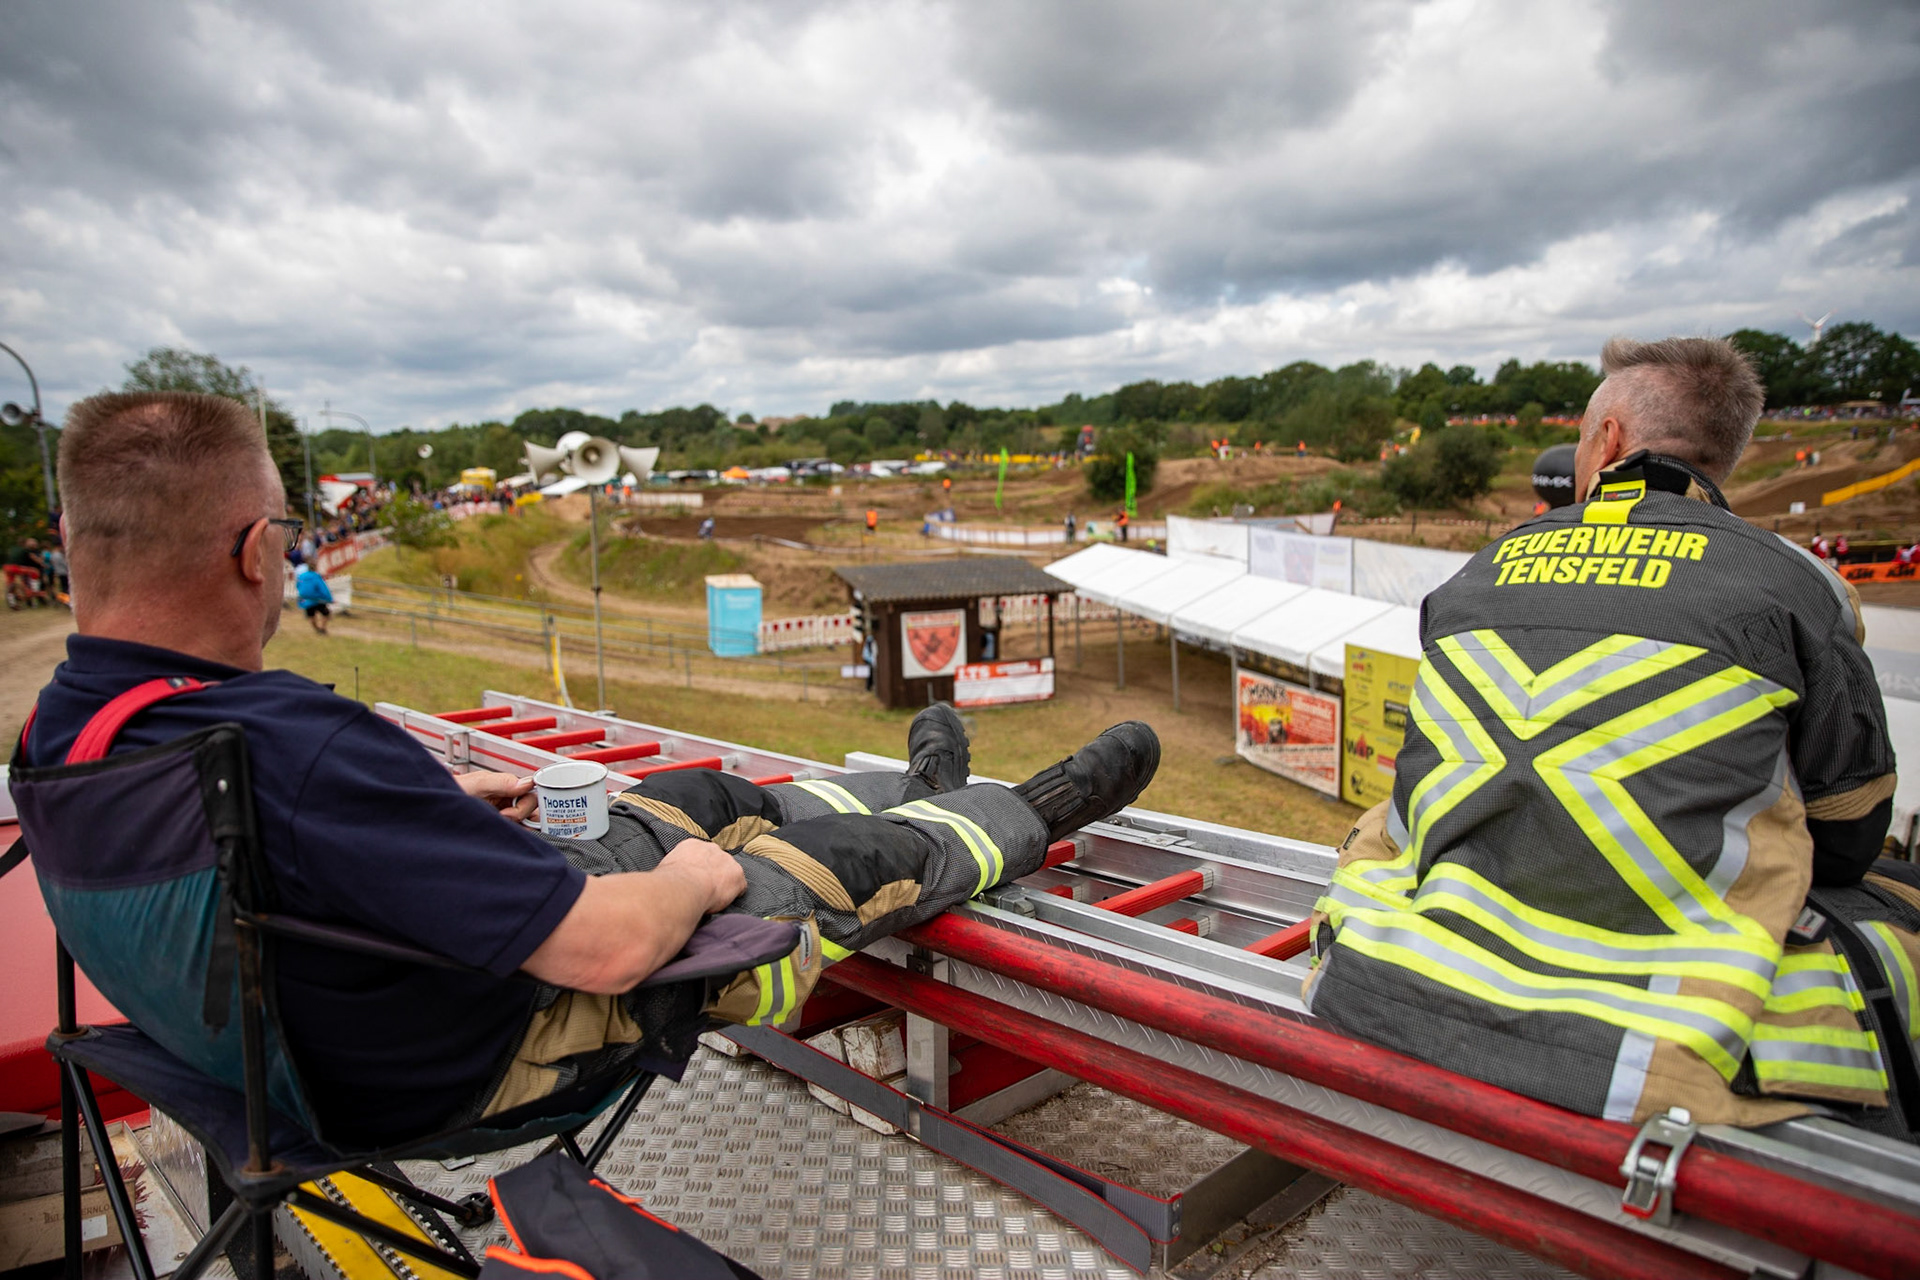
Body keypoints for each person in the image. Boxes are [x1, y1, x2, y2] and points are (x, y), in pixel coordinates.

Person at [13, 392, 1160, 1148]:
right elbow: (609, 949)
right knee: (831, 862)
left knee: (701, 792)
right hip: (482, 1054)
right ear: (256, 551)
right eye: (288, 533)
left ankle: (922, 778)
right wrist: (704, 881)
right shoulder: (289, 743)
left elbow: (260, 842)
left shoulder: (62, 734)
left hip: (301, 1052)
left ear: (77, 546)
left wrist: (417, 809)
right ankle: (1032, 805)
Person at [1307, 337, 1919, 1137]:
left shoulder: (1478, 571)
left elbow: (1421, 793)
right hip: (1659, 1055)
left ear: (1609, 441)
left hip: (1389, 989)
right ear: (1724, 455)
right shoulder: (1802, 585)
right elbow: (1848, 836)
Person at [296, 562, 335, 633]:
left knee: (311, 615)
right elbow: (322, 588)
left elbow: (298, 586)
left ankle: (317, 628)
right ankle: (322, 628)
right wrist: (329, 598)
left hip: (306, 599)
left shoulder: (301, 576)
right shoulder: (316, 576)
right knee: (326, 614)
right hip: (318, 599)